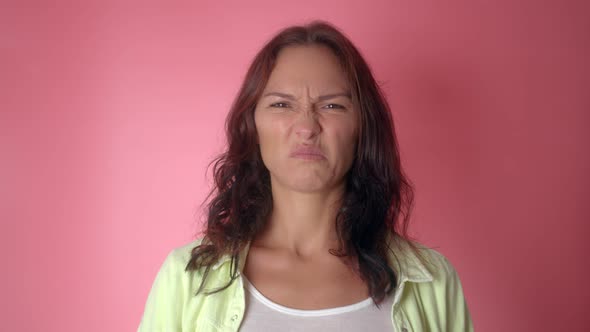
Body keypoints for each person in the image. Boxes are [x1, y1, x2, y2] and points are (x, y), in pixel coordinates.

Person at [137, 21, 474, 332]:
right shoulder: (185, 279)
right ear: (252, 126)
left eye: (332, 106)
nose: (307, 127)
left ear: (362, 128)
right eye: (282, 105)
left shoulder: (432, 281)